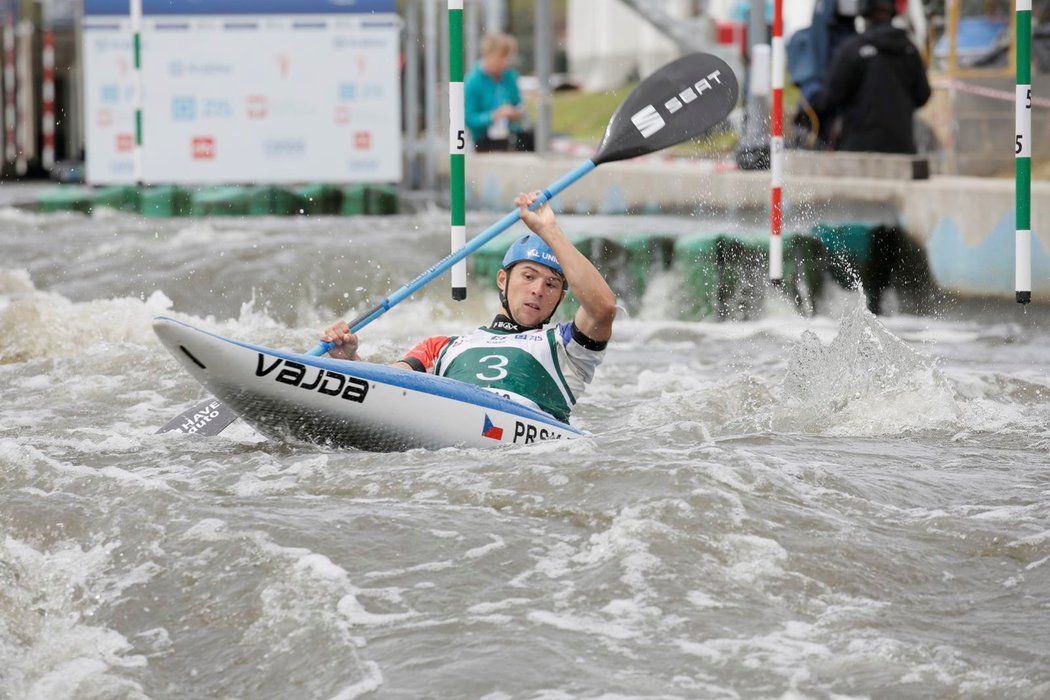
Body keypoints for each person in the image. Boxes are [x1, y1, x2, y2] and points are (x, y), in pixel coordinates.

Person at [320, 192, 616, 423]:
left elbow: (602, 307)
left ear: (561, 299)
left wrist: (549, 230)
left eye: (551, 284)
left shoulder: (567, 348)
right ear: (503, 279)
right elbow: (388, 389)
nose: (538, 289)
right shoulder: (441, 347)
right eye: (528, 277)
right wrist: (350, 361)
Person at [816, 0, 931, 154]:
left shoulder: (852, 49)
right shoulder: (909, 50)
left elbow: (830, 97)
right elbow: (923, 95)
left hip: (856, 150)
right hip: (901, 150)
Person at [464, 33, 534, 153]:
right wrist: (493, 116)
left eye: (506, 58)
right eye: (501, 58)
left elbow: (519, 104)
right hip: (484, 140)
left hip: (511, 135)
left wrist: (514, 113)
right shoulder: (472, 82)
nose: (504, 63)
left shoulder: (510, 77)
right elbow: (469, 118)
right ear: (488, 55)